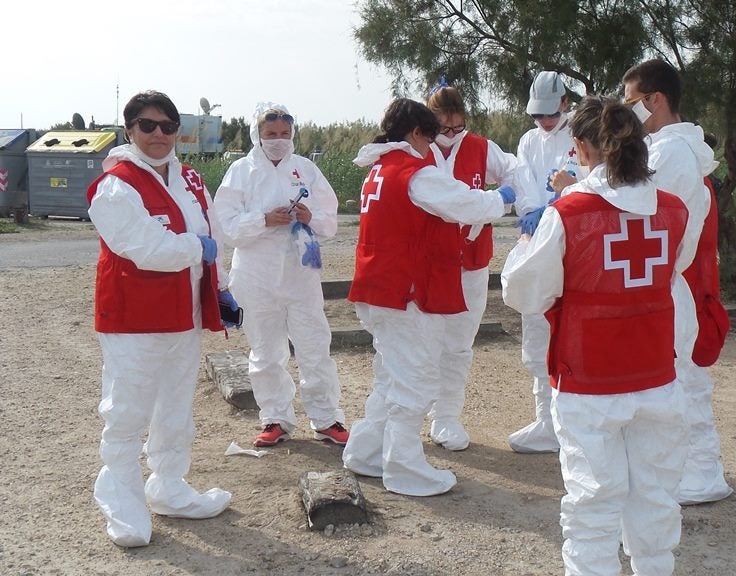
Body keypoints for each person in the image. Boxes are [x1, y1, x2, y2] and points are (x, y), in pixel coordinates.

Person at [502, 95, 691, 576]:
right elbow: (674, 269)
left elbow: (525, 292)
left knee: (592, 503)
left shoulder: (567, 213)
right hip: (655, 373)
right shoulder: (673, 209)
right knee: (655, 493)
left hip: (588, 377)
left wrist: (525, 242)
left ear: (581, 147)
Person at [342, 98, 515, 496]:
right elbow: (465, 204)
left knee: (391, 375)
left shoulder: (378, 170)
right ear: (416, 133)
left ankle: (366, 450)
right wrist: (502, 197)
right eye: (431, 137)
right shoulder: (414, 173)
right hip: (406, 292)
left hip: (379, 288)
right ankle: (404, 467)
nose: (433, 147)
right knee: (415, 378)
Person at [87, 90, 232, 547]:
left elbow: (214, 234)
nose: (158, 134)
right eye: (147, 125)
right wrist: (195, 250)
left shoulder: (189, 178)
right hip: (133, 316)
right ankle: (120, 497)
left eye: (167, 126)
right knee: (127, 411)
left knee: (175, 407)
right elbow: (145, 248)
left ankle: (168, 485)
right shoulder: (116, 185)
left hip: (182, 315)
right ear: (128, 129)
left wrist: (221, 286)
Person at [622, 59, 732, 504]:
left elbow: (640, 207)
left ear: (655, 100)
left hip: (679, 280)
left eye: (631, 102)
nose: (627, 112)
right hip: (681, 278)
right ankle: (696, 467)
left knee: (685, 381)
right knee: (682, 378)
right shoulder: (675, 150)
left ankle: (704, 471)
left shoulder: (671, 155)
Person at [214, 102, 348, 448]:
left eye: (284, 133)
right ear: (256, 135)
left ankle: (327, 418)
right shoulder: (240, 172)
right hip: (255, 276)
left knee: (315, 346)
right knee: (264, 350)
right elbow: (226, 226)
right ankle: (275, 418)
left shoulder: (306, 169)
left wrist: (308, 217)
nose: (278, 140)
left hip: (300, 274)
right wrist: (262, 220)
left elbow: (329, 220)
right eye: (270, 134)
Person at [423, 82, 524, 451]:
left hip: (471, 258)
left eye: (457, 127)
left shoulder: (481, 147)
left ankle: (446, 416)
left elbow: (517, 172)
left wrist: (508, 197)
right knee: (425, 340)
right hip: (429, 261)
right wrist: (490, 201)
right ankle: (417, 410)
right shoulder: (418, 150)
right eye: (442, 128)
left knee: (460, 341)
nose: (450, 135)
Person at [508, 70, 580, 454]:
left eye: (550, 113)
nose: (544, 121)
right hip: (537, 237)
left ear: (565, 103)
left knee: (570, 326)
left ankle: (572, 418)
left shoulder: (580, 132)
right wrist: (532, 210)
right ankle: (546, 420)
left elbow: (587, 175)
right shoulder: (529, 140)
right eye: (538, 115)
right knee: (536, 326)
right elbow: (523, 179)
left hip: (572, 237)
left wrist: (562, 202)